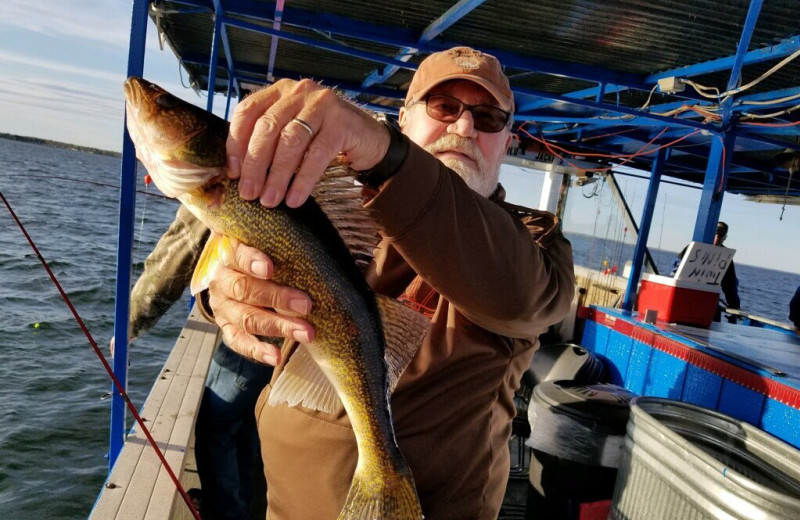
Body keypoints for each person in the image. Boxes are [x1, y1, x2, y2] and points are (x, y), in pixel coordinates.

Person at [202, 46, 575, 519]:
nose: (464, 128)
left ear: (506, 142)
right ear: (404, 118)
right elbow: (258, 270)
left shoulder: (534, 243)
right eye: (444, 107)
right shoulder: (342, 209)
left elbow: (524, 295)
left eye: (487, 118)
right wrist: (224, 293)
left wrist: (382, 152)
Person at [120, 204, 273, 520]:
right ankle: (242, 505)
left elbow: (180, 250)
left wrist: (129, 324)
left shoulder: (222, 182)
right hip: (284, 334)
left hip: (259, 329)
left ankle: (226, 512)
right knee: (242, 421)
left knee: (216, 422)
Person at [671, 221, 740, 322]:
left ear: (725, 237)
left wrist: (734, 306)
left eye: (720, 235)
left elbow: (730, 285)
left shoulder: (726, 257)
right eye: (715, 233)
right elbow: (673, 273)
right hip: (683, 297)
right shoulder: (692, 248)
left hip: (708, 302)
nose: (717, 238)